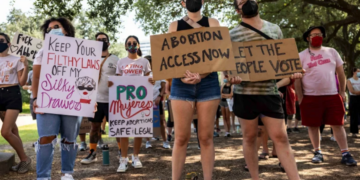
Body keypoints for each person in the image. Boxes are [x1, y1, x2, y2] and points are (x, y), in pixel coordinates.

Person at [230, 1, 301, 179]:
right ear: (238, 10)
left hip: (269, 92)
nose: (246, 2)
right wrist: (232, 76)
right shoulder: (231, 34)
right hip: (244, 94)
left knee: (281, 137)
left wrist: (292, 70)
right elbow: (228, 66)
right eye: (241, 2)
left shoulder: (275, 29)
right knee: (249, 137)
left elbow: (282, 60)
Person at [32, 17, 96, 180]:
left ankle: (67, 174)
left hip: (72, 102)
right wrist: (34, 99)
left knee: (69, 138)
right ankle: (43, 176)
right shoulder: (42, 52)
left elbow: (88, 78)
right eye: (49, 29)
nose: (52, 30)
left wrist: (91, 100)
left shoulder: (81, 51)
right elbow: (37, 79)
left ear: (66, 30)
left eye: (56, 26)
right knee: (46, 137)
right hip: (47, 102)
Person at [168, 1, 221, 179]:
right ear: (182, 2)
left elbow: (217, 55)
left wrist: (202, 75)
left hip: (209, 82)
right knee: (181, 137)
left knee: (205, 137)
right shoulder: (174, 26)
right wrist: (183, 77)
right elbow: (170, 58)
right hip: (181, 84)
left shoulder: (213, 23)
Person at [294, 25, 357, 166]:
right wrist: (300, 97)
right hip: (310, 96)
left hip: (332, 95)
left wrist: (342, 92)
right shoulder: (301, 55)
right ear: (307, 38)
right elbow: (297, 78)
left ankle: (345, 153)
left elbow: (340, 73)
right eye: (314, 34)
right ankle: (317, 152)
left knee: (337, 124)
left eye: (320, 34)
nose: (317, 36)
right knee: (313, 125)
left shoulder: (332, 52)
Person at [114, 35, 153, 173]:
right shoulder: (121, 62)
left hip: (140, 101)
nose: (132, 45)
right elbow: (117, 81)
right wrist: (112, 85)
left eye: (134, 43)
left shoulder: (144, 62)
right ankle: (123, 159)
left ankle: (136, 156)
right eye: (129, 43)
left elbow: (149, 77)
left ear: (138, 45)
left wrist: (151, 81)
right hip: (125, 100)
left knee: (138, 130)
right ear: (125, 46)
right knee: (124, 130)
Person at [80, 32, 120, 165]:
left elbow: (123, 77)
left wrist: (116, 81)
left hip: (112, 100)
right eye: (98, 39)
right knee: (94, 127)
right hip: (95, 100)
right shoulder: (89, 59)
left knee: (116, 128)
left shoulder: (115, 59)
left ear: (108, 43)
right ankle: (92, 153)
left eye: (104, 39)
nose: (101, 41)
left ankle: (122, 152)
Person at [0, 32, 31, 174]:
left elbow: (22, 82)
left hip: (12, 94)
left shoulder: (17, 59)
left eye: (1, 40)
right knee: (13, 130)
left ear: (8, 43)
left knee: (5, 132)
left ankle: (25, 159)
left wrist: (26, 66)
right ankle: (21, 161)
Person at [144, 55, 171, 149]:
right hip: (145, 101)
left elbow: (163, 86)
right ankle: (148, 141)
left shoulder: (158, 72)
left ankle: (165, 141)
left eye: (148, 62)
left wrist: (159, 96)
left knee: (161, 120)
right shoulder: (142, 73)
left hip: (156, 100)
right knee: (146, 121)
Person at [347, 67, 360, 137]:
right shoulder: (349, 80)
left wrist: (357, 92)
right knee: (354, 115)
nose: (359, 72)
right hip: (353, 98)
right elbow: (351, 91)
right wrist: (357, 92)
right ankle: (354, 132)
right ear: (354, 72)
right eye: (358, 71)